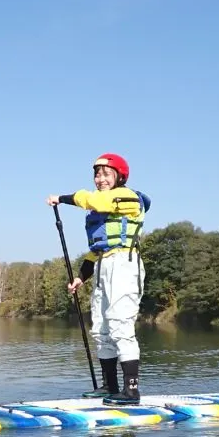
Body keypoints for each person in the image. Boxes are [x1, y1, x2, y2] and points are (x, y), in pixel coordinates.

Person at [46, 153, 151, 405]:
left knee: (120, 325)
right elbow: (95, 253)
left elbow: (94, 201)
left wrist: (61, 198)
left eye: (106, 173)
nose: (100, 178)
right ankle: (110, 386)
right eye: (97, 174)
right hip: (104, 265)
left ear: (119, 177)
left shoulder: (128, 197)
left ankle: (131, 391)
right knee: (101, 328)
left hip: (125, 265)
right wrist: (81, 277)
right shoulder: (101, 208)